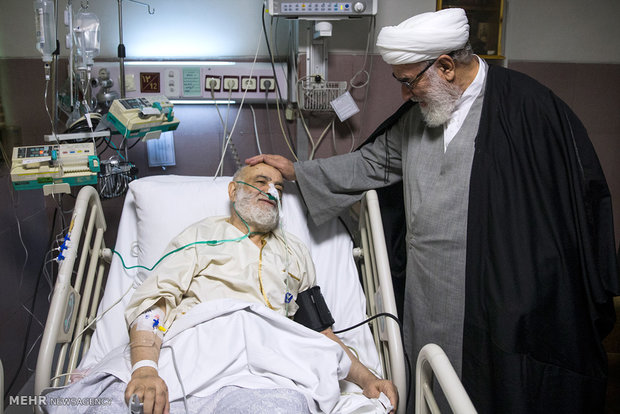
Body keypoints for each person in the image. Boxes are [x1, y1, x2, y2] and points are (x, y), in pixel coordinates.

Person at [246, 8, 620, 413]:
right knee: (431, 383)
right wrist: (297, 171)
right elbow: (371, 163)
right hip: (427, 288)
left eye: (409, 82)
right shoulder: (419, 118)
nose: (405, 95)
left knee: (502, 387)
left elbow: (571, 201)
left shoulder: (529, 110)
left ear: (445, 67)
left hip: (506, 289)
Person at [122, 163, 398, 413]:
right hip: (193, 358)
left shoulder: (294, 252)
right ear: (233, 191)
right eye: (261, 182)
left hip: (265, 376)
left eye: (278, 187)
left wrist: (368, 380)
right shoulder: (200, 236)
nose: (271, 191)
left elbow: (321, 334)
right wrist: (145, 369)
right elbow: (155, 306)